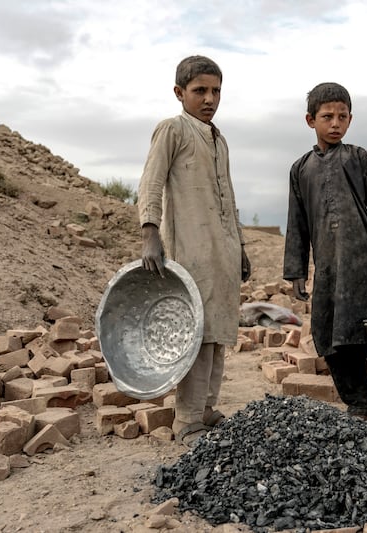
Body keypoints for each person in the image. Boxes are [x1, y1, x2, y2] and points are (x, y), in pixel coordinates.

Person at [283, 82, 367, 439]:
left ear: (351, 119)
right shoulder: (300, 169)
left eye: (342, 117)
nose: (335, 123)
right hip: (327, 270)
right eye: (327, 117)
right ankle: (357, 405)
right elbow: (298, 223)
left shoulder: (359, 158)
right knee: (332, 338)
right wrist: (296, 271)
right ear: (310, 120)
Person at [137, 55, 250, 447]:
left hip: (223, 249)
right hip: (189, 248)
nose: (209, 98)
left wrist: (241, 246)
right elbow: (150, 182)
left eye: (216, 91)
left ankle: (206, 408)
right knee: (196, 334)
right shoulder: (173, 129)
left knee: (218, 331)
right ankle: (186, 420)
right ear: (179, 92)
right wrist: (150, 233)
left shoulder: (219, 139)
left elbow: (229, 197)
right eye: (200, 90)